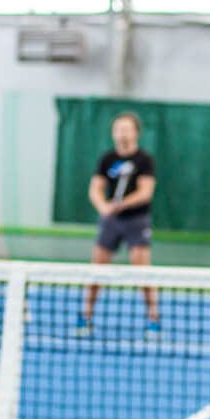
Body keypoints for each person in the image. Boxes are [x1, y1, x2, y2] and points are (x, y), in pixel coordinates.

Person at [76, 111, 160, 337]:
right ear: (114, 133)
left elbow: (146, 192)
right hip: (110, 221)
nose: (122, 133)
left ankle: (153, 319)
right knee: (97, 271)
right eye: (118, 129)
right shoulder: (107, 159)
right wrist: (104, 207)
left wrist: (121, 203)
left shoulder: (144, 160)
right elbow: (95, 189)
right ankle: (85, 317)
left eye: (127, 128)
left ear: (135, 133)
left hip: (137, 220)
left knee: (142, 272)